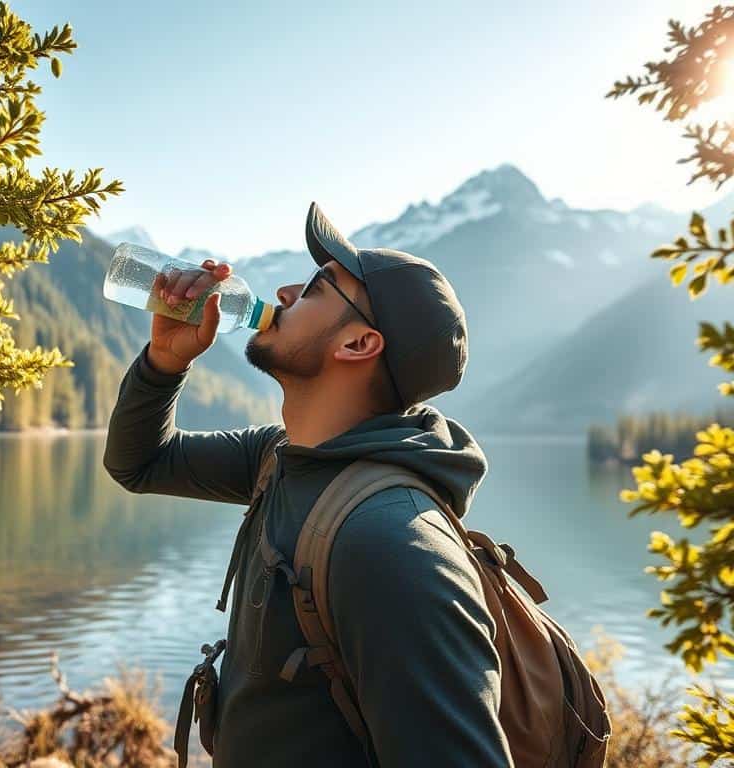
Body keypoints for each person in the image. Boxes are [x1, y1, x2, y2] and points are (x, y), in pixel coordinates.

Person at [102, 202, 512, 767]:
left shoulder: (394, 544)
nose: (287, 292)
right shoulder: (280, 457)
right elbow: (141, 463)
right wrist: (164, 362)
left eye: (319, 286)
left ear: (359, 345)